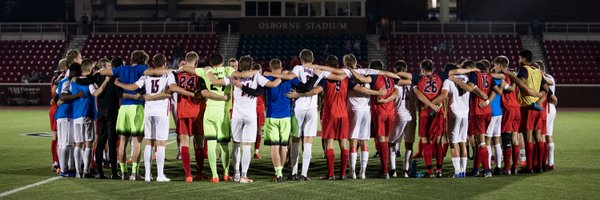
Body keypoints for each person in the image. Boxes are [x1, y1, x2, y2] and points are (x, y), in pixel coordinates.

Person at [178, 52, 258, 183]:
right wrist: (257, 71)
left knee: (210, 144)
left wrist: (181, 68)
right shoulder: (227, 70)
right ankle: (226, 173)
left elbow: (187, 69)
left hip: (209, 111)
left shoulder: (205, 71)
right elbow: (242, 75)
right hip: (223, 111)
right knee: (224, 145)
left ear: (211, 61)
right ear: (222, 61)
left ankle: (214, 175)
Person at [263, 49, 331, 181]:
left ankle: (294, 172)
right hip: (312, 109)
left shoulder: (298, 68)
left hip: (298, 108)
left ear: (301, 59)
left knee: (294, 140)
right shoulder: (319, 70)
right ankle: (304, 174)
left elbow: (288, 78)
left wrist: (267, 72)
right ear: (312, 59)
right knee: (308, 141)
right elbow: (318, 87)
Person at [229, 55, 281, 183]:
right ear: (252, 65)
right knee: (247, 146)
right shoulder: (257, 75)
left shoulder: (234, 74)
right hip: (250, 116)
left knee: (236, 144)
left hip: (237, 115)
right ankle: (243, 175)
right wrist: (283, 76)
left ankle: (236, 174)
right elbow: (272, 84)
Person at [99, 50, 150, 180]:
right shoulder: (142, 68)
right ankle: (135, 173)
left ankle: (122, 172)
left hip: (123, 108)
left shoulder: (121, 69)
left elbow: (103, 72)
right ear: (143, 60)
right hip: (136, 107)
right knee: (137, 141)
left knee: (122, 141)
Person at [440, 63, 473, 178]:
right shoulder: (466, 78)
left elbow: (444, 95)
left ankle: (457, 172)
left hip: (454, 114)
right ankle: (463, 171)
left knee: (453, 144)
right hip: (465, 113)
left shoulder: (448, 81)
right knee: (463, 142)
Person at [70, 59, 97, 178]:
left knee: (78, 143)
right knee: (88, 143)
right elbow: (95, 93)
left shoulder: (74, 82)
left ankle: (77, 171)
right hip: (87, 114)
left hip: (76, 115)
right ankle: (86, 171)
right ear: (91, 70)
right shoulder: (90, 83)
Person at [49, 59, 68, 174]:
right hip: (58, 109)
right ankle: (57, 163)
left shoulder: (55, 77)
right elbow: (54, 92)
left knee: (56, 138)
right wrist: (56, 98)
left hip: (55, 110)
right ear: (66, 67)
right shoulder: (60, 78)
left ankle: (56, 162)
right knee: (58, 138)